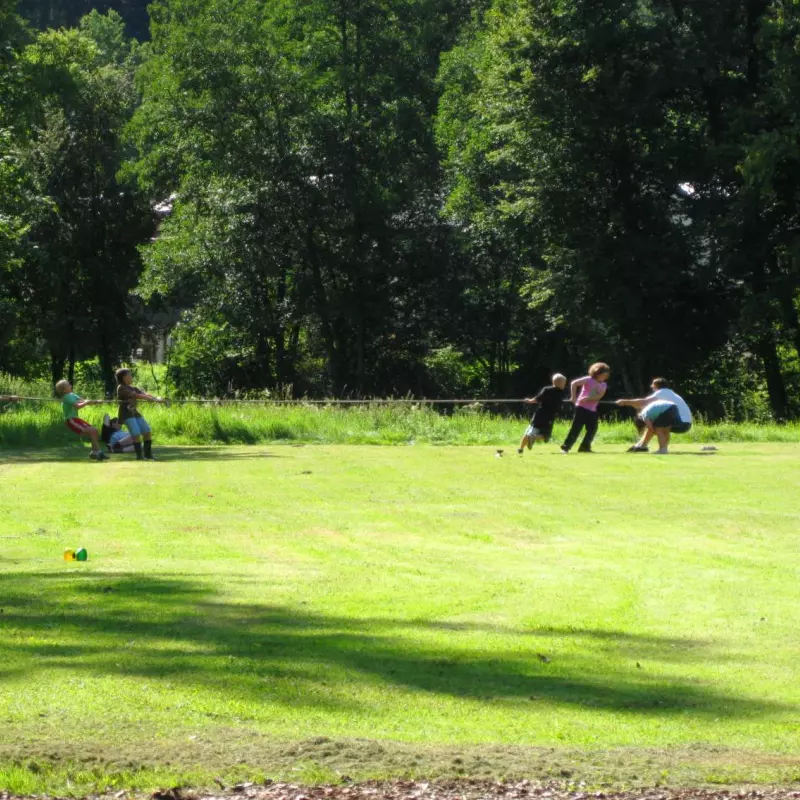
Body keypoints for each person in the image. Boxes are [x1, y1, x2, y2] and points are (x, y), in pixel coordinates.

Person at [617, 377, 693, 454]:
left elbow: (643, 402)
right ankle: (642, 446)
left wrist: (624, 402)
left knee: (658, 428)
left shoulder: (662, 392)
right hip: (686, 423)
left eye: (652, 385)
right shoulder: (670, 393)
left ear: (656, 385)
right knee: (655, 425)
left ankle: (661, 449)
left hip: (681, 422)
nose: (651, 387)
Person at [560, 362, 611, 454]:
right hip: (581, 408)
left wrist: (589, 398)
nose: (604, 377)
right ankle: (566, 447)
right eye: (603, 375)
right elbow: (574, 383)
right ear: (596, 373)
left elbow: (599, 397)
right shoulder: (588, 379)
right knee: (576, 428)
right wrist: (573, 397)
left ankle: (585, 447)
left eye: (606, 375)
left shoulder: (603, 385)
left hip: (592, 410)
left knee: (592, 429)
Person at [115, 368, 165, 461]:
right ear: (124, 377)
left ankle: (148, 455)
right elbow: (137, 395)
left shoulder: (133, 387)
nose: (131, 377)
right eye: (130, 375)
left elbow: (143, 394)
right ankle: (139, 456)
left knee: (147, 431)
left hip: (134, 412)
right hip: (126, 414)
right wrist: (150, 399)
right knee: (136, 433)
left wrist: (156, 398)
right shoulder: (121, 387)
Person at [54, 380, 108, 461]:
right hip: (71, 420)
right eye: (68, 385)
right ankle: (99, 452)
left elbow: (83, 401)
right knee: (92, 431)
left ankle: (94, 453)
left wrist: (96, 402)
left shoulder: (72, 395)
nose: (70, 386)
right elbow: (77, 406)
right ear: (64, 390)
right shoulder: (66, 397)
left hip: (76, 419)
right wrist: (86, 403)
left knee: (95, 431)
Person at [517, 373, 568, 455]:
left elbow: (536, 399)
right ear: (559, 383)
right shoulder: (561, 393)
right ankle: (533, 438)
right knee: (545, 435)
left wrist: (529, 401)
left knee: (529, 432)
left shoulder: (546, 389)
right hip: (549, 418)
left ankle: (520, 449)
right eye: (564, 383)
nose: (565, 385)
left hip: (539, 416)